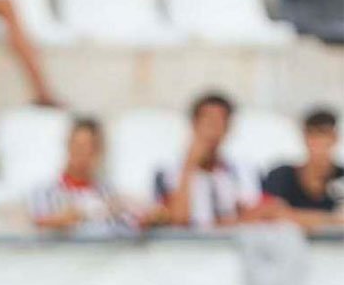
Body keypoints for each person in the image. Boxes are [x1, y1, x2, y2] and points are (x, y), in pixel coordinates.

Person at [156, 93, 283, 228]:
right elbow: (177, 219)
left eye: (220, 122)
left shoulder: (244, 171)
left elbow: (258, 215)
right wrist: (189, 166)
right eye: (208, 121)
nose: (213, 130)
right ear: (194, 124)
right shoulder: (168, 173)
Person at [29, 118, 145, 238]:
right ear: (68, 145)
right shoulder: (46, 191)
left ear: (99, 151)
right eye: (77, 145)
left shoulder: (109, 192)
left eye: (89, 147)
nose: (82, 153)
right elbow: (40, 225)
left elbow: (132, 228)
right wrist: (85, 212)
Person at [262, 108, 344, 231]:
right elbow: (270, 213)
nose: (318, 143)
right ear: (304, 137)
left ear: (334, 138)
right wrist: (330, 220)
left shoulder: (341, 177)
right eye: (313, 135)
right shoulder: (282, 176)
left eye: (323, 135)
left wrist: (297, 217)